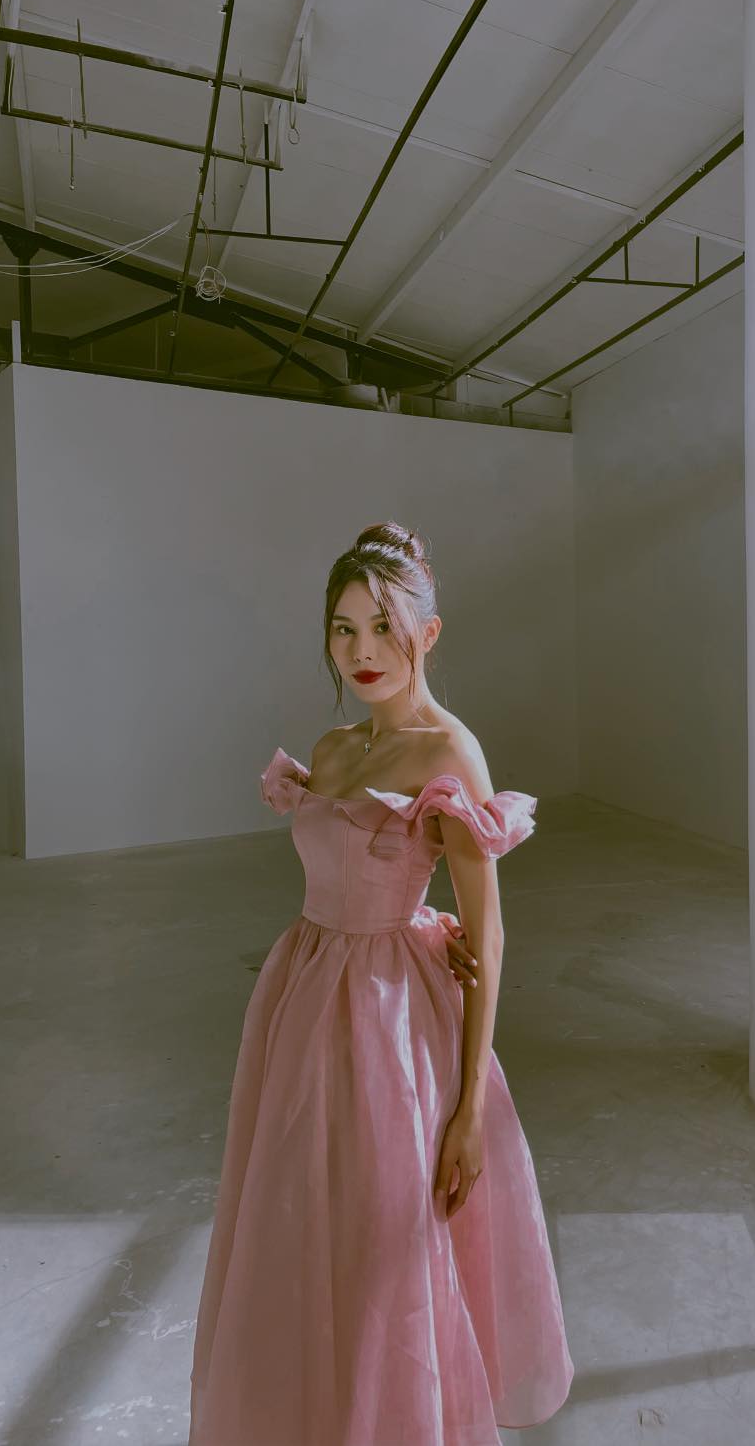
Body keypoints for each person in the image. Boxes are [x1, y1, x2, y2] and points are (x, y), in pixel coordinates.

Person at [188, 521, 574, 1445]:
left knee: (386, 1242)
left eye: (384, 627)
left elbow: (490, 931)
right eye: (343, 628)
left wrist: (470, 1110)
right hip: (302, 1000)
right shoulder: (330, 752)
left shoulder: (449, 754)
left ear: (427, 634)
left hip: (392, 1023)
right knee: (300, 1224)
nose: (362, 651)